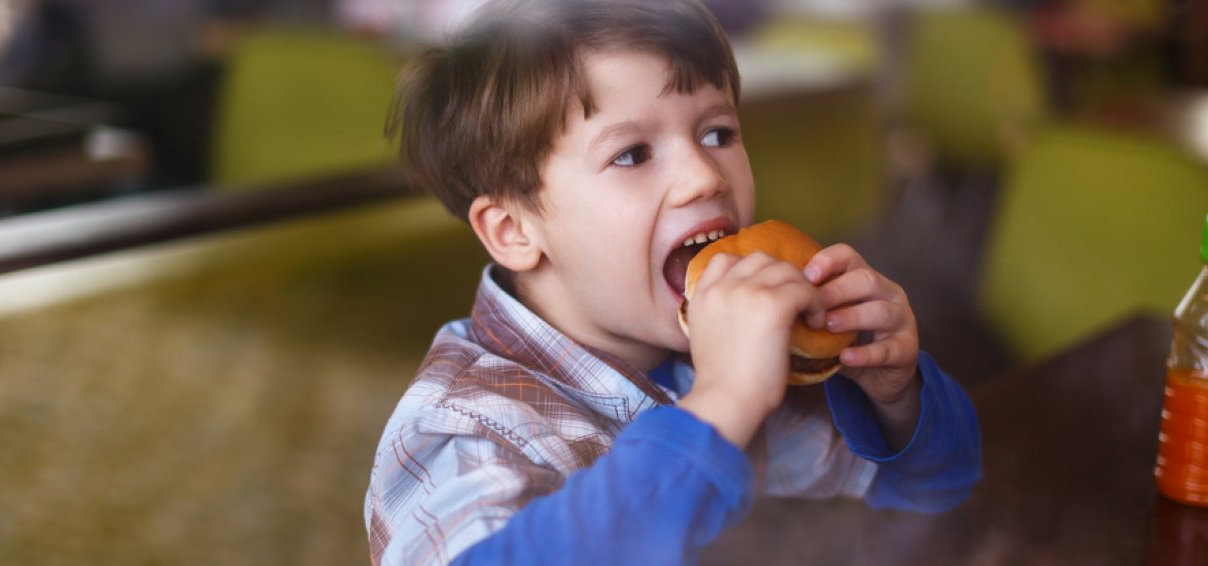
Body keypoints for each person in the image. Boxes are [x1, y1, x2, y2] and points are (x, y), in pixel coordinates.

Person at [364, 0, 981, 563]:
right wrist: (722, 407)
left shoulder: (737, 351)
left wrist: (899, 403)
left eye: (717, 133)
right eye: (631, 154)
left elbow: (941, 492)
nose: (703, 176)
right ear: (513, 230)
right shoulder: (463, 426)